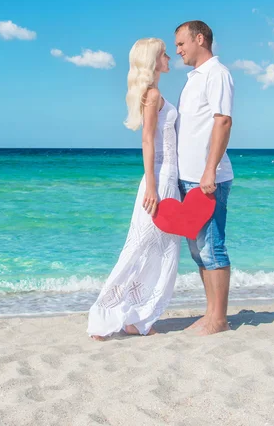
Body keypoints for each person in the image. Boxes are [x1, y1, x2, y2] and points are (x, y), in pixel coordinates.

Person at [87, 38, 181, 340]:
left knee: (158, 251)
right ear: (154, 61)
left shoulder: (156, 93)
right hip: (159, 180)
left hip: (168, 178)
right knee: (141, 249)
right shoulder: (152, 95)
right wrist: (152, 186)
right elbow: (148, 141)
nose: (170, 57)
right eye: (165, 54)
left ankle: (136, 320)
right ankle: (105, 316)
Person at [175, 20, 234, 336]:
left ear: (200, 39)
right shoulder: (193, 79)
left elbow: (223, 121)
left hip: (207, 178)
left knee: (212, 246)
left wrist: (209, 170)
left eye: (182, 44)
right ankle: (211, 312)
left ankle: (220, 319)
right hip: (188, 178)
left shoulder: (217, 74)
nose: (179, 50)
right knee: (198, 250)